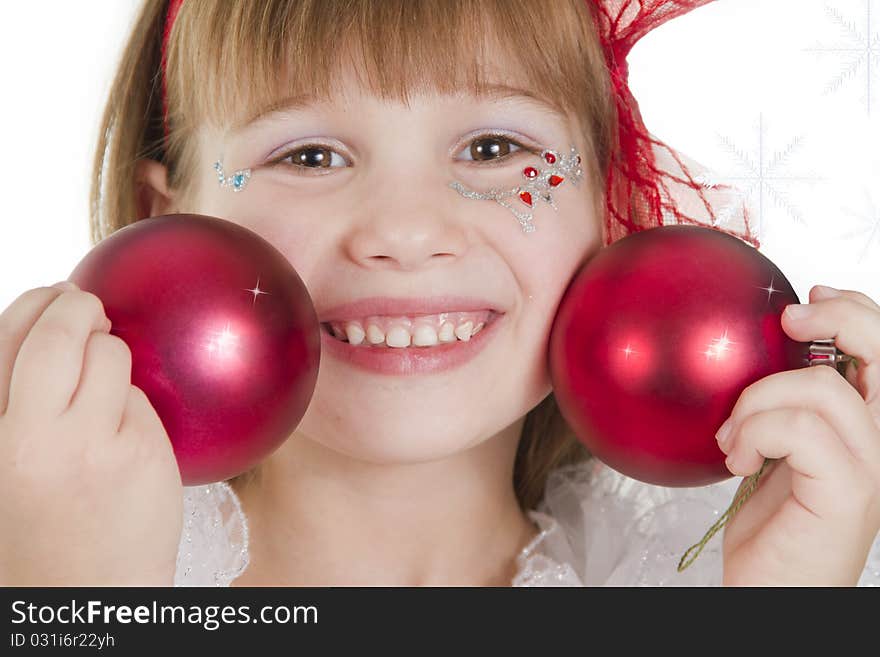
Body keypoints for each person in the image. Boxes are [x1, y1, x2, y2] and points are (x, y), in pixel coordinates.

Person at [1, 0, 878, 587]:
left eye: (494, 148)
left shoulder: (699, 580)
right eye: (309, 156)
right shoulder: (56, 571)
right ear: (166, 222)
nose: (406, 229)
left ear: (610, 208)